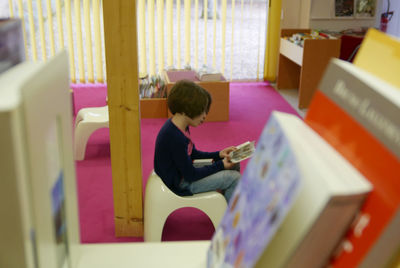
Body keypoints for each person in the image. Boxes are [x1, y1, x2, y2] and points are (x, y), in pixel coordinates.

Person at [154, 80, 240, 202]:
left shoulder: (179, 126)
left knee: (234, 162)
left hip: (183, 174)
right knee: (234, 178)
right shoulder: (174, 137)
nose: (204, 116)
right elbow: (191, 175)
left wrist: (219, 155)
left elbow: (192, 154)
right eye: (201, 111)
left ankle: (224, 203)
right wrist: (220, 165)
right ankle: (230, 218)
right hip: (181, 183)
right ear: (186, 109)